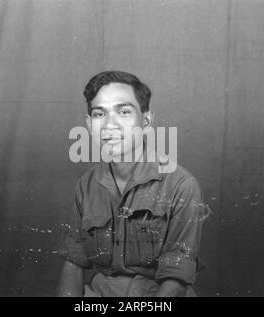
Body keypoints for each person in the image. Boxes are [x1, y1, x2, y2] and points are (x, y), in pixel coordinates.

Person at [56, 71, 206, 297]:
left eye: (124, 111)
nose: (110, 125)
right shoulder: (87, 185)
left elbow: (176, 281)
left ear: (146, 121)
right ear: (89, 124)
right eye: (99, 114)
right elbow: (73, 262)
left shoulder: (181, 184)